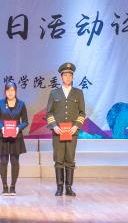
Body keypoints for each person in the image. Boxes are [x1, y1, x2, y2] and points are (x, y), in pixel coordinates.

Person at [45, 62, 86, 197]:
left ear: (72, 77)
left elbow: (82, 113)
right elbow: (49, 113)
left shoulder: (78, 93)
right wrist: (54, 126)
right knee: (58, 159)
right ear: (61, 77)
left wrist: (76, 126)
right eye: (65, 75)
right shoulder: (54, 93)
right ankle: (59, 187)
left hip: (72, 132)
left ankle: (68, 187)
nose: (67, 77)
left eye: (70, 75)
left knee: (70, 159)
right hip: (58, 132)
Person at [0, 81, 29, 196]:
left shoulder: (21, 104)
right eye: (8, 90)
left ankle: (12, 187)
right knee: (3, 162)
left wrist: (18, 128)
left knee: (15, 162)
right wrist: (2, 128)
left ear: (15, 91)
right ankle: (4, 186)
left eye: (12, 90)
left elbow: (25, 121)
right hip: (3, 136)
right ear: (5, 91)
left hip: (16, 137)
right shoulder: (0, 103)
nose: (10, 92)